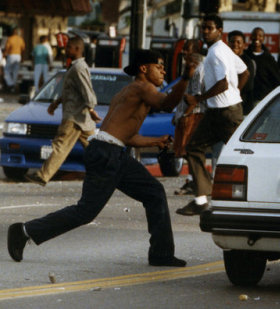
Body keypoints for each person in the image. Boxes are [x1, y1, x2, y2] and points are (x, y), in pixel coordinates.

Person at [7, 48, 198, 266]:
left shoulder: (128, 92)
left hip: (112, 151)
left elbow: (125, 135)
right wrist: (185, 77)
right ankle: (24, 231)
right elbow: (168, 104)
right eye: (159, 66)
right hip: (108, 155)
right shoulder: (143, 87)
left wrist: (154, 142)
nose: (163, 71)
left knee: (154, 193)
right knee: (86, 212)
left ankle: (161, 254)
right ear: (144, 69)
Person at [175, 14, 249, 216]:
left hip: (225, 113)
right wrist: (236, 94)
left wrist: (198, 99)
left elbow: (223, 83)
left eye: (209, 28)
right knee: (195, 146)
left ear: (219, 31)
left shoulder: (216, 53)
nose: (205, 31)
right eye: (203, 28)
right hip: (221, 111)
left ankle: (252, 199)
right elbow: (245, 72)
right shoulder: (223, 49)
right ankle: (200, 199)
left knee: (244, 155)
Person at [24, 37, 100, 186]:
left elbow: (87, 92)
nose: (66, 50)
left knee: (60, 146)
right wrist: (56, 103)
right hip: (82, 118)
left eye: (69, 47)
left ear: (78, 49)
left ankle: (43, 175)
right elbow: (71, 91)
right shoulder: (74, 67)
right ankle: (108, 173)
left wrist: (91, 108)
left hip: (74, 117)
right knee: (94, 150)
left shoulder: (79, 68)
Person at [172, 40, 206, 196]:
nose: (184, 53)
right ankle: (193, 181)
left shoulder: (199, 70)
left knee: (190, 150)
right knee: (185, 151)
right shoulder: (188, 70)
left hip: (194, 114)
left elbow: (196, 96)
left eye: (187, 50)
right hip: (186, 113)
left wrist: (186, 114)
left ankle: (196, 183)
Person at [244, 27, 280, 105]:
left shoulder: (269, 58)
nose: (257, 38)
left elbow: (276, 80)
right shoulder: (245, 56)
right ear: (251, 37)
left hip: (262, 99)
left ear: (263, 38)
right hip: (246, 99)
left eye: (260, 36)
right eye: (254, 35)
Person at [228, 30, 255, 115]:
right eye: (232, 42)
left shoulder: (248, 62)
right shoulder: (226, 59)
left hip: (243, 106)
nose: (235, 44)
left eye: (238, 42)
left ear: (244, 45)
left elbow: (248, 85)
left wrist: (234, 94)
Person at [4, 27, 25, 93]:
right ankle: (14, 85)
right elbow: (23, 49)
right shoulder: (20, 39)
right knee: (15, 71)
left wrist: (4, 55)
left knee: (6, 70)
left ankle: (11, 84)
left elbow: (7, 48)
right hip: (18, 56)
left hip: (11, 55)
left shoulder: (10, 39)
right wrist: (22, 57)